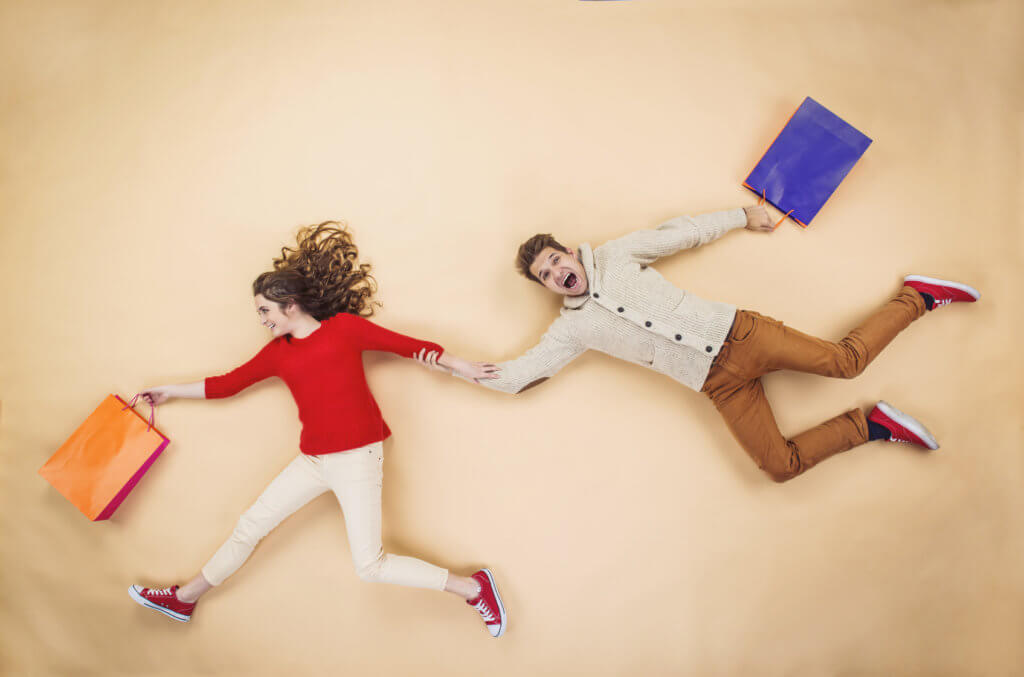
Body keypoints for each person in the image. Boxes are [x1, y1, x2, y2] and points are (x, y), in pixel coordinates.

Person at [128, 221, 508, 637]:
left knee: (370, 566)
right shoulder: (278, 354)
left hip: (356, 460)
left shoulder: (344, 329)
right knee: (248, 527)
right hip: (312, 462)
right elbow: (226, 384)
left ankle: (473, 589)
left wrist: (463, 366)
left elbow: (406, 346)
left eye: (264, 311)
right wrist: (169, 391)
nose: (261, 320)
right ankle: (185, 600)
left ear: (290, 305)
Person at [418, 205, 979, 482]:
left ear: (569, 253)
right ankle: (871, 426)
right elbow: (520, 376)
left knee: (845, 362)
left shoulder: (615, 255)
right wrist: (454, 367)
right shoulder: (571, 328)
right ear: (546, 286)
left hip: (741, 335)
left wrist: (742, 216)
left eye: (555, 260)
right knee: (778, 467)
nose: (557, 273)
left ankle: (919, 297)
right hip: (716, 384)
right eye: (546, 275)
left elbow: (679, 232)